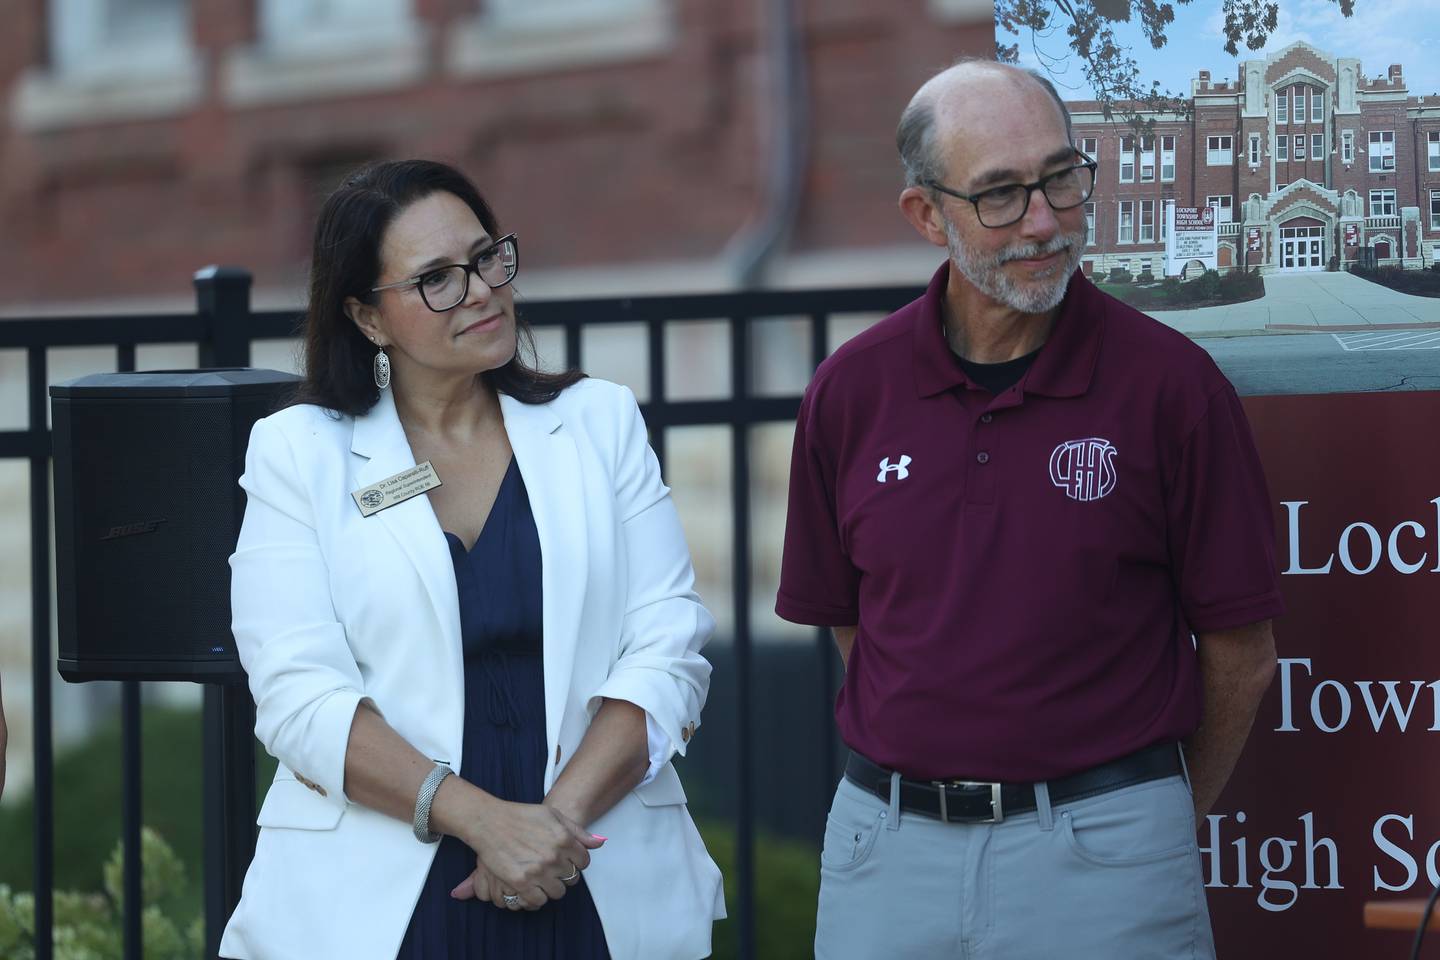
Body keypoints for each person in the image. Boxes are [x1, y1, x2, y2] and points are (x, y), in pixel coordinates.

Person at [777, 60, 1282, 959]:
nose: (1045, 220)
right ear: (926, 215)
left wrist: (1147, 825)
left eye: (1060, 177)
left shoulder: (1174, 389)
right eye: (1002, 195)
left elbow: (1242, 656)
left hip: (1108, 865)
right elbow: (856, 624)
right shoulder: (850, 392)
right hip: (887, 859)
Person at [219, 159, 724, 960]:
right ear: (367, 316)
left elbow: (667, 647)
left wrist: (548, 829)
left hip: (589, 869)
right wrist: (484, 821)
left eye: (487, 258)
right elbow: (296, 693)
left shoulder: (599, 422)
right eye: (437, 280)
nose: (482, 290)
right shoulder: (298, 453)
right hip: (383, 902)